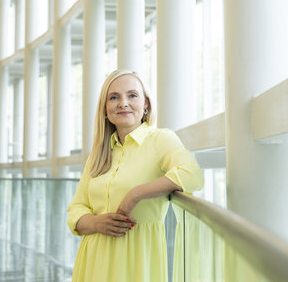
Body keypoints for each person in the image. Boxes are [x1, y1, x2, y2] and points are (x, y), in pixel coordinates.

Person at [67, 69, 203, 281]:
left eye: (132, 95)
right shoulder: (98, 153)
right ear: (105, 108)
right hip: (93, 262)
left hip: (137, 263)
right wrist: (96, 223)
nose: (123, 103)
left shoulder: (161, 140)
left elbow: (192, 174)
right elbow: (76, 209)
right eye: (114, 97)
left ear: (146, 104)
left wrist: (136, 193)